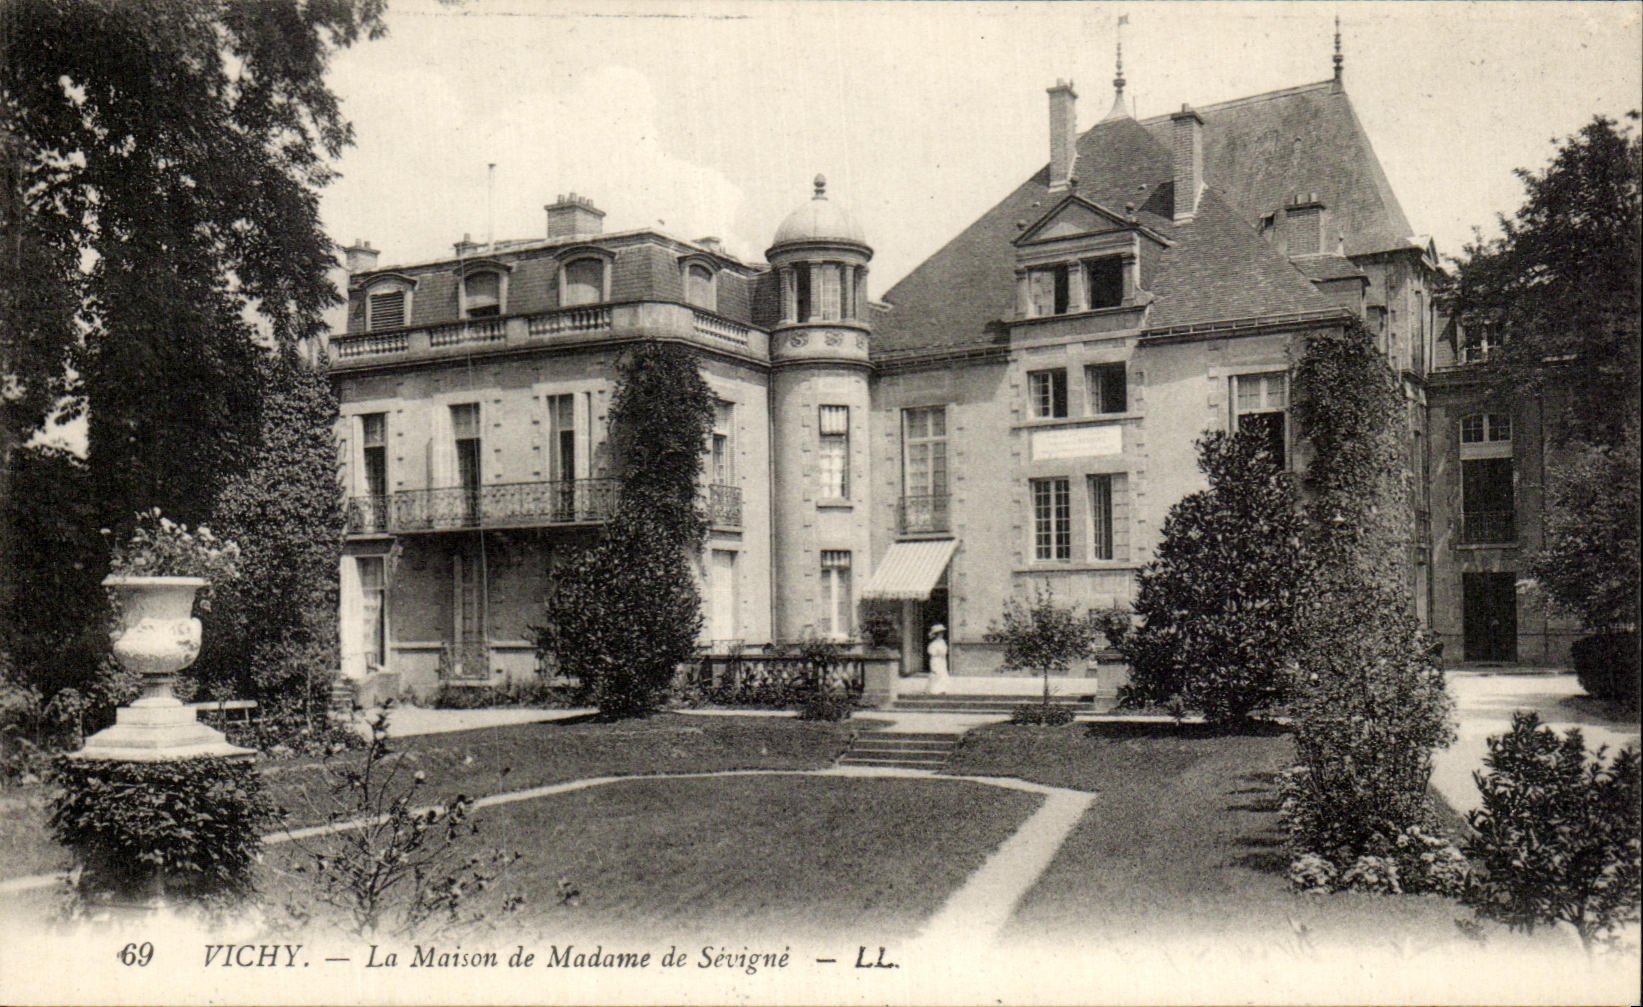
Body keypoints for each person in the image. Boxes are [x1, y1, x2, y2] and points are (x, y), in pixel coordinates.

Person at [927, 623, 949, 695]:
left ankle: (942, 689)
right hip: (936, 660)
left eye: (942, 633)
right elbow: (931, 652)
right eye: (939, 633)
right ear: (936, 634)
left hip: (942, 660)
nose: (941, 634)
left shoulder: (942, 642)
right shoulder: (934, 644)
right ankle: (934, 690)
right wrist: (938, 653)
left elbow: (945, 651)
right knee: (936, 674)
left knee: (943, 674)